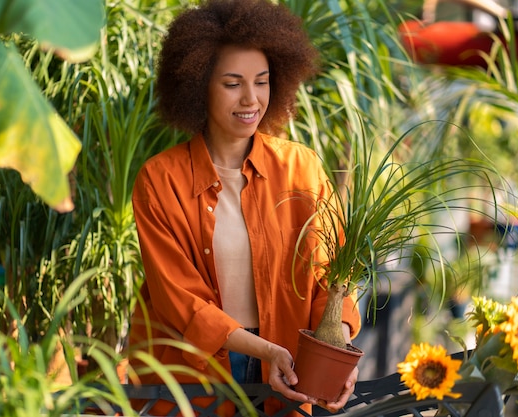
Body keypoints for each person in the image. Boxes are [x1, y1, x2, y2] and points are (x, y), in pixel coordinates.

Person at [129, 0, 361, 415]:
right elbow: (179, 299)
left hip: (288, 367)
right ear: (199, 84)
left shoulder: (302, 169)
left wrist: (338, 345)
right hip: (193, 373)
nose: (251, 99)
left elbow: (335, 276)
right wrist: (263, 350)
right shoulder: (160, 180)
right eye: (232, 83)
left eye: (262, 81)